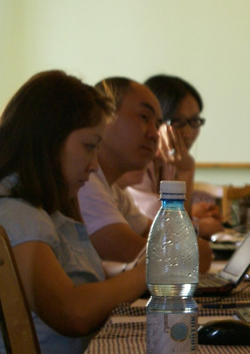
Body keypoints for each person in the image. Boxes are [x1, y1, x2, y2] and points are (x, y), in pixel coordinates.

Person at [0, 71, 148, 354]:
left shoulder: (37, 209)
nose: (94, 164)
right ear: (49, 140)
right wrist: (141, 275)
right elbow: (71, 312)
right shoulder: (14, 215)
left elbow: (80, 281)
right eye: (89, 147)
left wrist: (131, 272)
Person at [77, 77, 212, 271]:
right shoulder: (85, 184)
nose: (155, 134)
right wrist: (189, 254)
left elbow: (178, 240)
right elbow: (163, 259)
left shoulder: (113, 191)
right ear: (104, 118)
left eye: (157, 124)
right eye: (144, 117)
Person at [122, 75, 224, 238]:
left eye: (194, 121)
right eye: (177, 122)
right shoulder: (135, 163)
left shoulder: (169, 162)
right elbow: (168, 232)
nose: (189, 133)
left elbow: (178, 226)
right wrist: (187, 169)